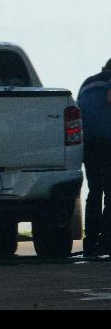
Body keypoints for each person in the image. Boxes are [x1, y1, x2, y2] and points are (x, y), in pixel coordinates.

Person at [78, 58, 111, 257]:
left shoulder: (87, 82)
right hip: (107, 142)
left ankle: (90, 241)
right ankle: (107, 241)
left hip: (88, 142)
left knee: (95, 191)